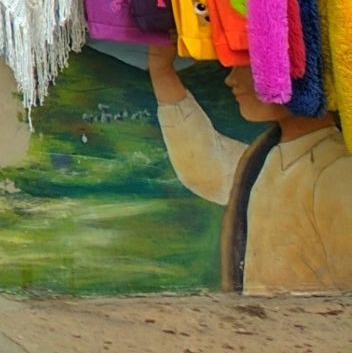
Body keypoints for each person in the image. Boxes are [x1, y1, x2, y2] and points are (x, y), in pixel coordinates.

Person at [146, 45, 352, 292]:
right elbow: (206, 166)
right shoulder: (265, 157)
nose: (230, 79)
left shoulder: (336, 171)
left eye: (247, 64)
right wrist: (162, 73)